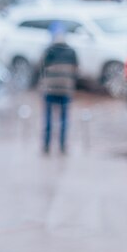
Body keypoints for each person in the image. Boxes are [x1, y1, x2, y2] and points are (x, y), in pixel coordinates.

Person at [39, 22, 78, 155]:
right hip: (65, 89)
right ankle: (62, 146)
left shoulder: (48, 51)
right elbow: (76, 70)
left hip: (49, 89)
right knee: (64, 119)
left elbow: (41, 69)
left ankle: (46, 146)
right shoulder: (71, 51)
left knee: (48, 119)